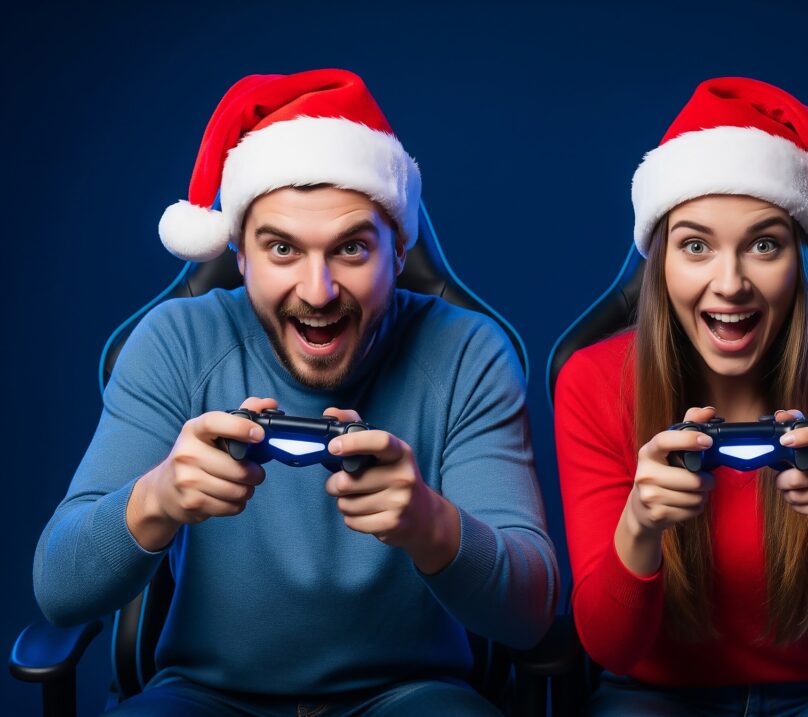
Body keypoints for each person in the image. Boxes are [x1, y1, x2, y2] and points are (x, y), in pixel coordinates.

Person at [34, 69, 558, 716]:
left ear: (399, 251)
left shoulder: (466, 352)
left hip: (410, 695)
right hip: (204, 697)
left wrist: (431, 525)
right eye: (282, 248)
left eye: (352, 249)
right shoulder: (175, 341)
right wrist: (157, 498)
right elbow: (59, 591)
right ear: (238, 255)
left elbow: (530, 616)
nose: (318, 291)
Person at [555, 77, 808, 715]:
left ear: (801, 261)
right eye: (695, 246)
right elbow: (610, 649)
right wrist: (639, 526)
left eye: (764, 245)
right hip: (654, 697)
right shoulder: (593, 380)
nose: (730, 283)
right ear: (661, 264)